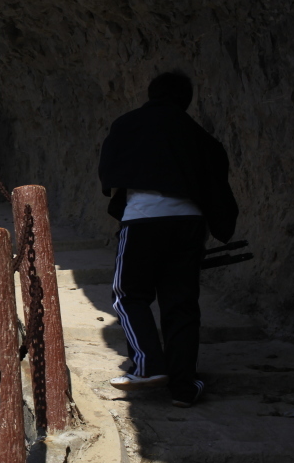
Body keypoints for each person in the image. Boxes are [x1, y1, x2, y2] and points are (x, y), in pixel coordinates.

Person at [98, 71, 238, 407]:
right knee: (181, 304)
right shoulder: (199, 136)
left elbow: (109, 172)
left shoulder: (127, 125)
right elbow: (216, 180)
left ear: (151, 93)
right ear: (185, 100)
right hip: (189, 224)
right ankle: (184, 388)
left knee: (129, 295)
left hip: (143, 221)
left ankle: (147, 365)